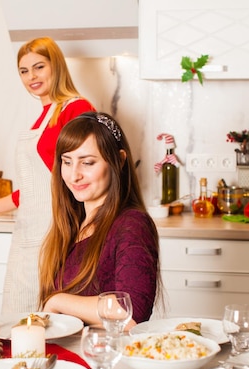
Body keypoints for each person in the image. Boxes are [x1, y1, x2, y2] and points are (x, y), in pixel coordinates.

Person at [0, 37, 95, 313]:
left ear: (56, 66)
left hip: (57, 229)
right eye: (24, 71)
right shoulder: (42, 116)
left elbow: (88, 175)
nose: (31, 77)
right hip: (28, 232)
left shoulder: (76, 109)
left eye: (39, 67)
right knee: (18, 314)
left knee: (48, 318)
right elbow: (35, 187)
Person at [39, 112, 161, 330]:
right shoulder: (72, 225)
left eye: (87, 163)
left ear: (119, 160)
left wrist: (58, 301)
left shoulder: (132, 225)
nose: (74, 175)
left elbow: (130, 312)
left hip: (104, 358)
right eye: (66, 162)